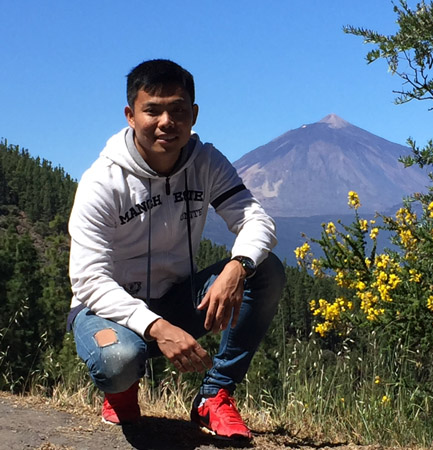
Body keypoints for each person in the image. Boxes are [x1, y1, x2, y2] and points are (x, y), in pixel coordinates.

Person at [67, 59, 285, 442]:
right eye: (152, 109)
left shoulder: (206, 161)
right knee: (118, 360)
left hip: (177, 299)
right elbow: (88, 279)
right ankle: (121, 388)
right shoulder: (101, 181)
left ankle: (213, 396)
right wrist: (157, 328)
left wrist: (238, 266)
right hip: (107, 311)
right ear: (130, 115)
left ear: (194, 114)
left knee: (265, 270)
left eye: (178, 110)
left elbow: (256, 220)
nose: (167, 120)